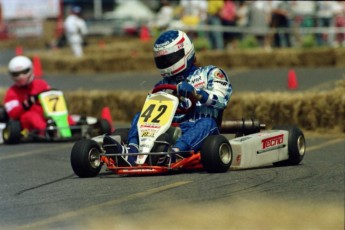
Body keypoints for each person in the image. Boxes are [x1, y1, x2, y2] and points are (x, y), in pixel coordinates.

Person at [103, 30, 233, 166]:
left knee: (207, 123)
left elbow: (222, 100)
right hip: (167, 131)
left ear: (185, 52)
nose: (166, 63)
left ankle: (173, 154)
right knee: (139, 115)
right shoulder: (163, 84)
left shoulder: (210, 73)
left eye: (169, 59)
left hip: (198, 129)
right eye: (162, 60)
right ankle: (132, 151)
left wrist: (196, 93)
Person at [3, 56, 51, 135]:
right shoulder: (12, 92)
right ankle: (46, 131)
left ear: (31, 70)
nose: (21, 76)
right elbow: (13, 113)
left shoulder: (41, 84)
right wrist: (25, 105)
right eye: (17, 74)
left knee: (58, 113)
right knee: (32, 116)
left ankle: (72, 126)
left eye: (24, 72)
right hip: (24, 120)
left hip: (44, 112)